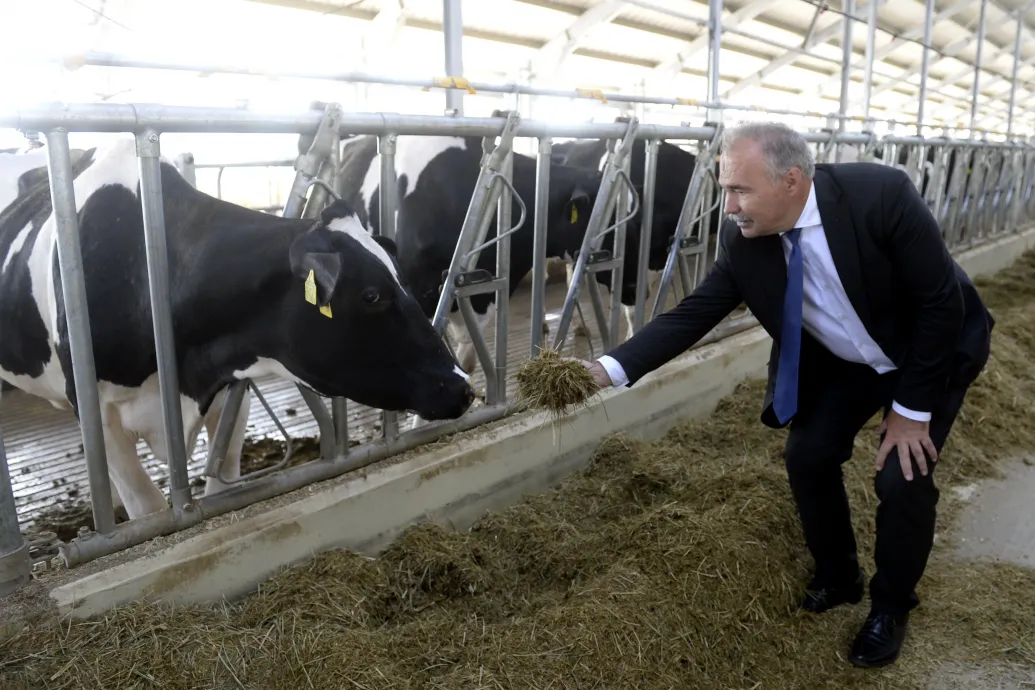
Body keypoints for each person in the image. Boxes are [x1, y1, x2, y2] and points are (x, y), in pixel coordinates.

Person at [576, 121, 995, 668]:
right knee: (807, 454)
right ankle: (839, 574)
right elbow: (693, 315)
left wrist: (911, 413)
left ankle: (890, 606)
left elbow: (941, 303)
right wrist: (605, 370)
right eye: (725, 189)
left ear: (792, 181)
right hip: (849, 360)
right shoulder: (746, 241)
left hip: (928, 352)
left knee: (902, 474)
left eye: (740, 190)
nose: (729, 206)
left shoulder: (880, 196)